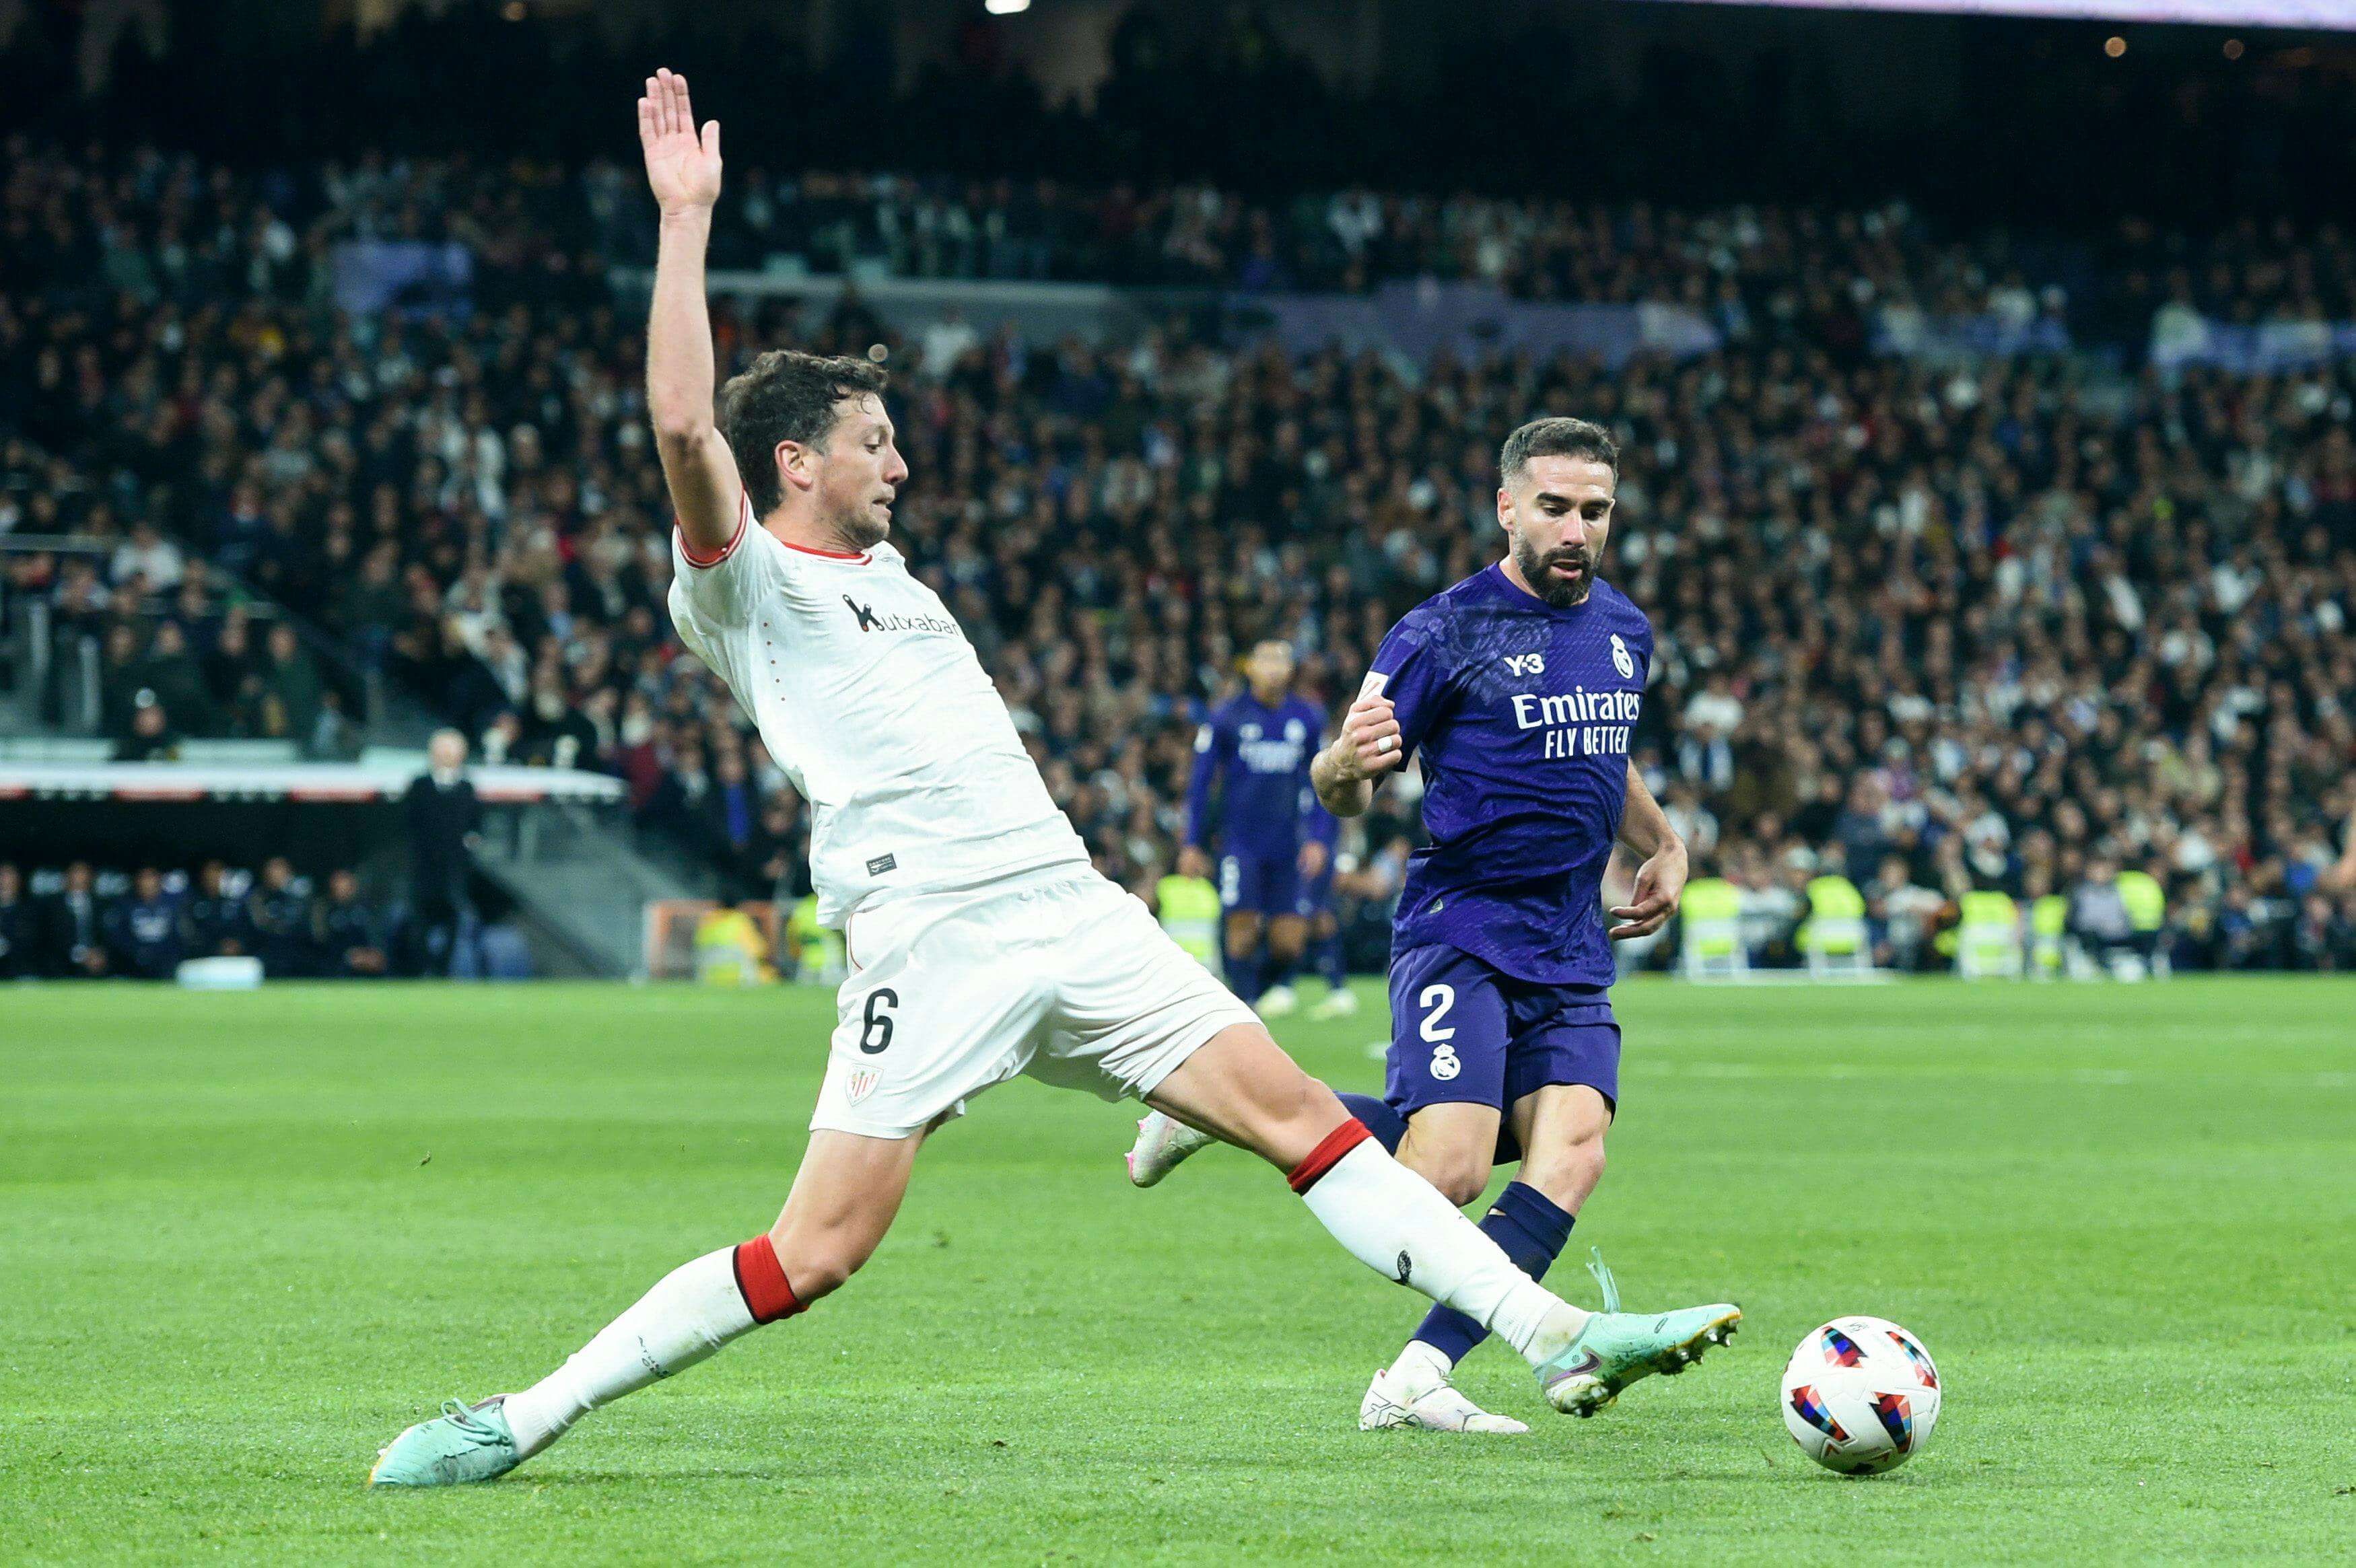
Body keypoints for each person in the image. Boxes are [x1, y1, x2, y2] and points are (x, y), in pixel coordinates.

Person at [370, 71, 1731, 1488]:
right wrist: (683, 224)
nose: (899, 458)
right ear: (795, 462)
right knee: (818, 1249)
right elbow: (678, 430)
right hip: (933, 929)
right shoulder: (746, 582)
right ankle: (520, 1418)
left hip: (1070, 906)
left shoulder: (891, 576)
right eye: (871, 441)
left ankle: (1557, 1334)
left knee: (1306, 1125)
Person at [1130, 416, 1726, 1433]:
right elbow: (1340, 784)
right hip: (1464, 928)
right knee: (1444, 1169)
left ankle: (1414, 1378)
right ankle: (1226, 1108)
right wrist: (1344, 765)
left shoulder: (1624, 630)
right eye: (1555, 508)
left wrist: (1662, 841)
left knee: (1572, 1152)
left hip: (1571, 944)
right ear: (1507, 507)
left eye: (1595, 510)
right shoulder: (1441, 631)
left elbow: (1603, 754)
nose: (1577, 528)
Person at [1179, 638, 1335, 1018]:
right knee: (1242, 929)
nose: (1274, 667)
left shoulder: (1308, 718)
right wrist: (1191, 843)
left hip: (1290, 842)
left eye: (1281, 659)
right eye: (1265, 658)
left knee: (1289, 941)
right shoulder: (1226, 717)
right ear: (1249, 666)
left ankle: (1263, 989)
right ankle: (1243, 1006)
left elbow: (1325, 780)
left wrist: (1319, 838)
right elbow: (1201, 782)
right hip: (1240, 841)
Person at [403, 729, 481, 976]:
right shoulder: (419, 785)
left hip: (454, 869)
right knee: (419, 920)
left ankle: (444, 969)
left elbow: (475, 826)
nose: (447, 756)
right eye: (442, 751)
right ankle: (419, 970)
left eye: (452, 751)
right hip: (423, 868)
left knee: (453, 919)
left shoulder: (467, 788)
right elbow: (409, 823)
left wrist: (468, 847)